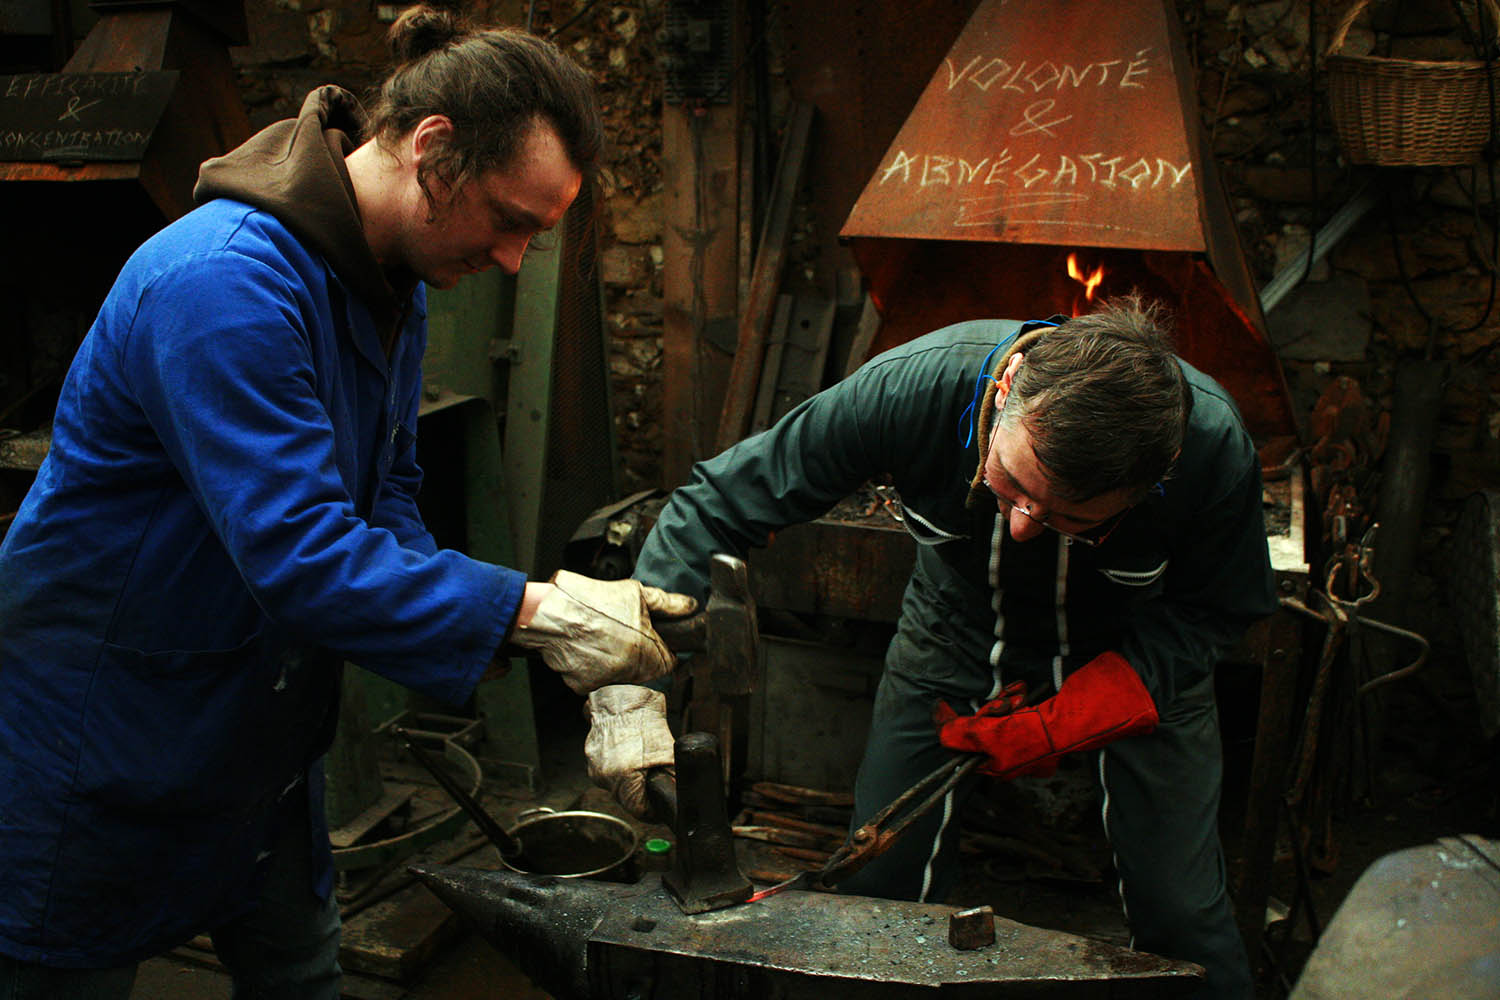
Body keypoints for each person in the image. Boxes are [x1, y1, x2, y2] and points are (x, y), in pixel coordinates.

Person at [0, 7, 693, 996]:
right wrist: (539, 610)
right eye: (509, 221)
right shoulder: (223, 284)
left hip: (260, 740)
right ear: (433, 150)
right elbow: (303, 552)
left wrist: (532, 630)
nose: (510, 261)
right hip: (106, 736)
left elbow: (385, 502)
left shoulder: (389, 285)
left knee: (303, 977)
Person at [585, 294, 1276, 999]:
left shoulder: (1210, 446)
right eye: (1010, 486)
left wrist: (1093, 706)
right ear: (1006, 390)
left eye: (1073, 520)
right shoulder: (911, 390)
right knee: (880, 886)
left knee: (1182, 913)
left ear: (1155, 480)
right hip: (951, 634)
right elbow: (717, 503)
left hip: (1138, 651)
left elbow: (1221, 609)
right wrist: (632, 683)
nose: (1024, 527)